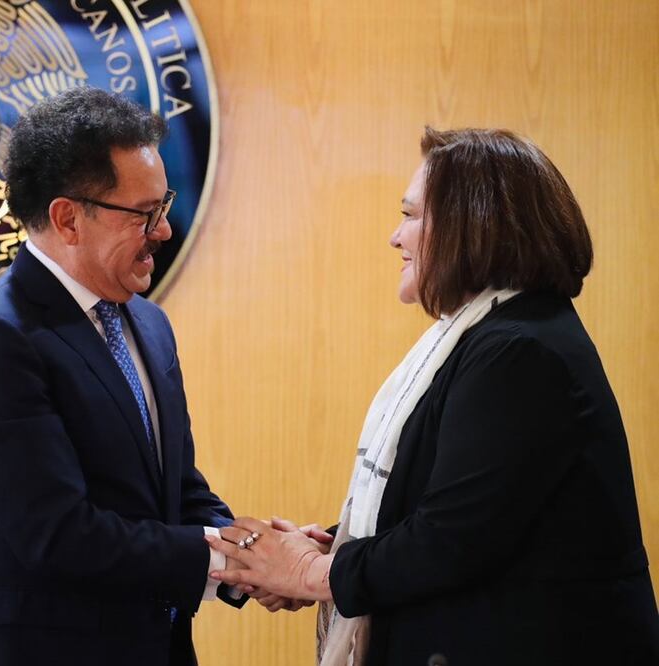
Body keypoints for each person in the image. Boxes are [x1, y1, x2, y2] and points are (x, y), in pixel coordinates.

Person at [207, 128, 659, 665]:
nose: (395, 237)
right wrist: (334, 549)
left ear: (472, 225)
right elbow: (445, 503)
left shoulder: (520, 351)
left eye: (410, 215)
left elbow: (451, 540)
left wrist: (312, 572)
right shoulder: (492, 336)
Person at [0, 87, 247, 666]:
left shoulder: (149, 323)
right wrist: (228, 560)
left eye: (164, 204)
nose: (163, 230)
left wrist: (251, 552)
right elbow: (58, 534)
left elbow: (176, 489)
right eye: (145, 213)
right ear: (68, 219)